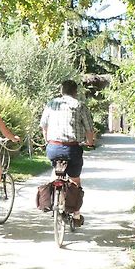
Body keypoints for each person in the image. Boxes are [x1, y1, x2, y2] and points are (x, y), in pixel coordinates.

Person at [39, 80, 95, 226]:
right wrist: (90, 142)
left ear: (61, 90)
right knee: (75, 179)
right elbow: (89, 129)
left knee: (55, 169)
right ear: (75, 92)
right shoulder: (80, 105)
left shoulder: (51, 104)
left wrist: (47, 141)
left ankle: (51, 198)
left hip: (53, 148)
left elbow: (44, 125)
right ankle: (76, 215)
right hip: (72, 148)